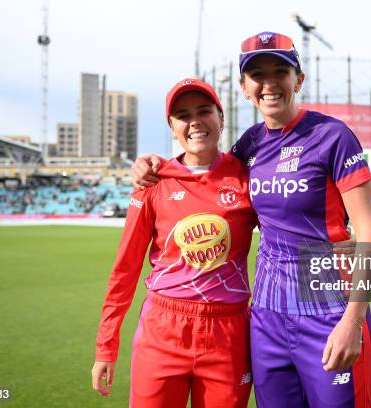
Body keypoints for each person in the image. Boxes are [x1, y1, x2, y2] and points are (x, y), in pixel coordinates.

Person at [132, 31, 371, 408]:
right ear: (244, 87)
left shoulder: (332, 136)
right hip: (266, 319)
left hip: (329, 311)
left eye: (280, 70)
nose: (269, 83)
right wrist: (153, 165)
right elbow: (204, 175)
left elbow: (369, 232)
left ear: (298, 79)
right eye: (257, 74)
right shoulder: (250, 144)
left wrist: (352, 320)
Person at [92, 78, 256, 408]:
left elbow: (287, 233)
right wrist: (105, 345)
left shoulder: (247, 178)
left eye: (204, 111)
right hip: (163, 330)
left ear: (221, 118)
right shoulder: (153, 182)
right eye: (183, 115)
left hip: (229, 333)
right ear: (172, 127)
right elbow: (125, 269)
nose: (194, 121)